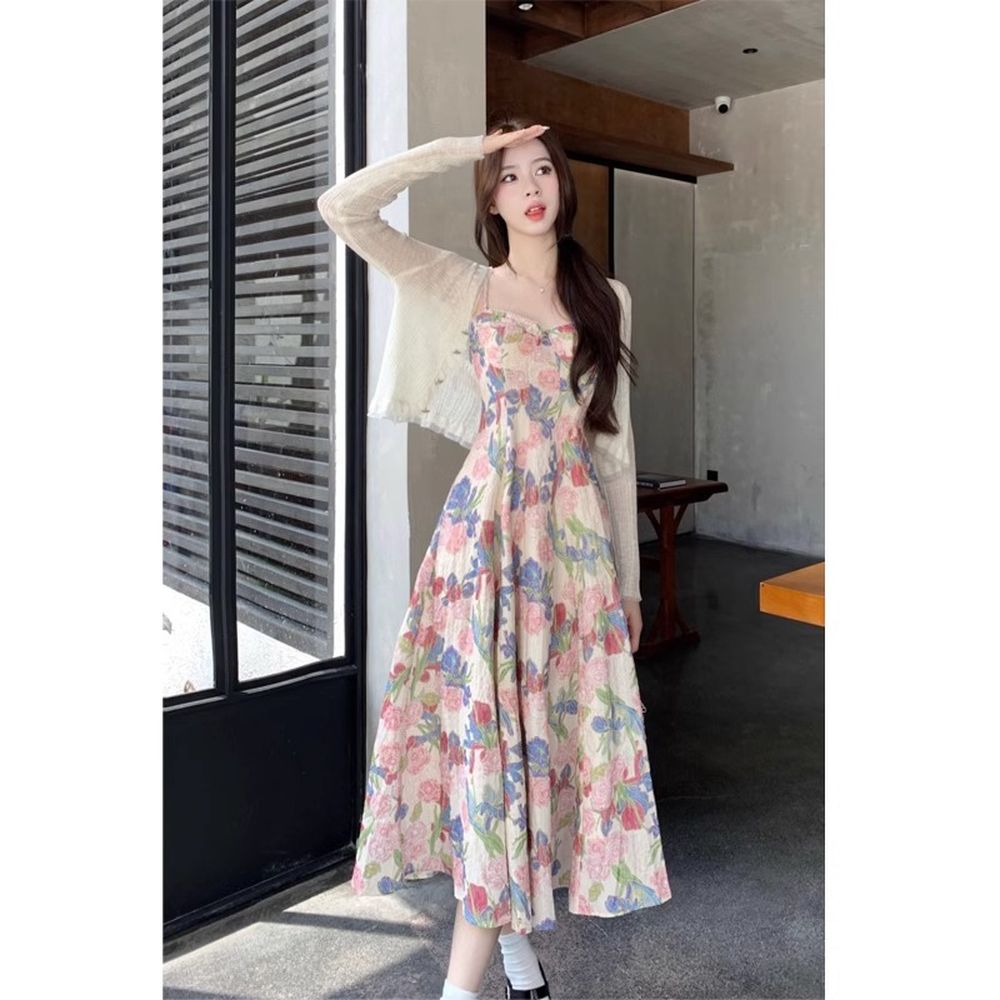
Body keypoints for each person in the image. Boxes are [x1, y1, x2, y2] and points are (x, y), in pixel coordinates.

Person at [317, 116, 672, 1000]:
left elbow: (614, 451)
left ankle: (516, 960)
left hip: (573, 548)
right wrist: (459, 150)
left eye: (541, 169)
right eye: (508, 176)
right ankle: (481, 976)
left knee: (539, 745)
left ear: (562, 183)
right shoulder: (463, 284)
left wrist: (629, 587)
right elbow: (344, 209)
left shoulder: (606, 297)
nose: (530, 187)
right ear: (491, 197)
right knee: (493, 751)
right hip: (486, 541)